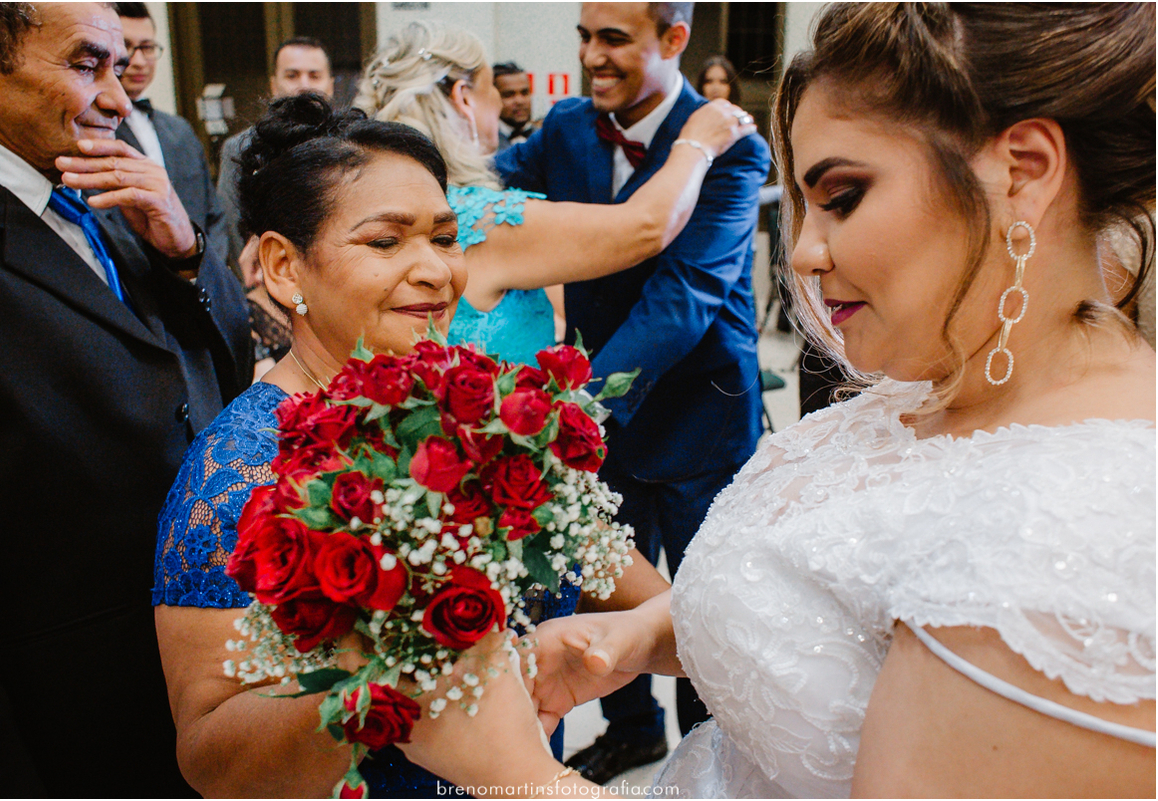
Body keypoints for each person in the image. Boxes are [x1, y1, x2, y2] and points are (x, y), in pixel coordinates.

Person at [398, 3, 1157, 798]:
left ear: (1023, 171)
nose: (803, 252)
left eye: (844, 195)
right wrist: (646, 633)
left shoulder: (1075, 538)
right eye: (804, 203)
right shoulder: (919, 390)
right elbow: (834, 622)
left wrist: (516, 775)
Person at [153, 94, 497, 798]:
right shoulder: (240, 472)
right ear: (283, 267)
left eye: (444, 236)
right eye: (386, 241)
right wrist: (397, 647)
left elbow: (630, 591)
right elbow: (214, 760)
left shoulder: (468, 416)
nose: (436, 269)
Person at [0, 2, 252, 796]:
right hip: (62, 712)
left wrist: (186, 253)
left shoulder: (95, 186)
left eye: (120, 68)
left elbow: (225, 371)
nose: (120, 100)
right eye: (87, 64)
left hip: (187, 657)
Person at [494, 2, 769, 781]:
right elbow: (487, 196)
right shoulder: (566, 128)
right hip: (600, 427)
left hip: (698, 418)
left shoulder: (730, 147)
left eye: (613, 38)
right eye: (584, 36)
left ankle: (708, 757)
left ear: (673, 39)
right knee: (597, 591)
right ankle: (633, 726)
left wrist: (577, 407)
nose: (591, 56)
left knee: (701, 608)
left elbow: (683, 299)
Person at [355, 21, 756, 368]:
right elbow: (646, 227)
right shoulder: (481, 220)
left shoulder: (376, 207)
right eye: (492, 88)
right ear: (463, 98)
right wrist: (697, 145)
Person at [114, 2, 227, 268]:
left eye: (147, 47)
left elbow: (214, 215)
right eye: (126, 47)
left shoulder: (181, 130)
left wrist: (208, 272)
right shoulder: (93, 133)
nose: (138, 61)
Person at [217, 36, 334, 277]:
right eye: (292, 75)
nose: (303, 85)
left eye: (314, 75)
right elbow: (231, 224)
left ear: (330, 84)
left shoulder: (351, 145)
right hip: (265, 279)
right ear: (273, 84)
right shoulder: (240, 147)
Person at [493, 61, 539, 150]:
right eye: (509, 95)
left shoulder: (547, 139)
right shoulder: (483, 143)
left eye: (524, 93)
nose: (519, 101)